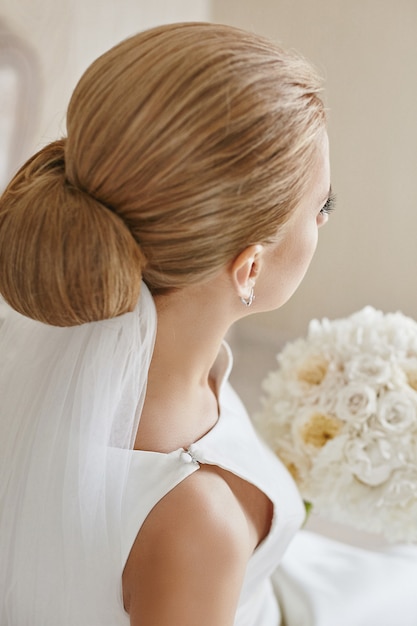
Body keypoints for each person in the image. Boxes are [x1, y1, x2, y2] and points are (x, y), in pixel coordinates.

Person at [0, 22, 332, 625]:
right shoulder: (195, 522)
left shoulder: (42, 335)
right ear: (249, 266)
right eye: (322, 208)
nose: (324, 224)